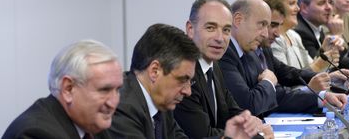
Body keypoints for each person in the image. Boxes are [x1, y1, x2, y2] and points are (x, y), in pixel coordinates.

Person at [110, 23, 271, 139]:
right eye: (183, 80)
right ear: (155, 71)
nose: (188, 90)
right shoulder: (121, 108)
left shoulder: (160, 103)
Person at [218, 0, 347, 117]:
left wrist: (322, 96)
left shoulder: (249, 50)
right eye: (262, 25)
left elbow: (281, 88)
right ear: (238, 20)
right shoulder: (225, 54)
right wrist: (268, 82)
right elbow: (248, 105)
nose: (265, 33)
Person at [174, 0, 273, 139]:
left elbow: (231, 109)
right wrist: (258, 136)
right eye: (210, 28)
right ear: (190, 29)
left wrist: (250, 123)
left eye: (226, 30)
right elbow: (202, 135)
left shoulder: (214, 63)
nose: (220, 38)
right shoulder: (182, 75)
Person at [2, 40, 124, 139]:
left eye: (117, 90)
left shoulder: (94, 126)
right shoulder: (35, 133)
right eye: (104, 90)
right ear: (68, 89)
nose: (113, 103)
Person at [255, 0, 349, 93]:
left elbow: (290, 73)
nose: (297, 8)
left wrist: (327, 78)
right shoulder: (267, 44)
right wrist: (310, 88)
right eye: (292, 3)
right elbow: (278, 93)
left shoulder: (287, 38)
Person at [263, 0, 343, 72]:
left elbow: (310, 69)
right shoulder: (273, 40)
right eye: (292, 3)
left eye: (296, 3)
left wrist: (324, 51)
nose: (298, 8)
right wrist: (320, 63)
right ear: (276, 8)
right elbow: (287, 80)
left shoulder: (294, 35)